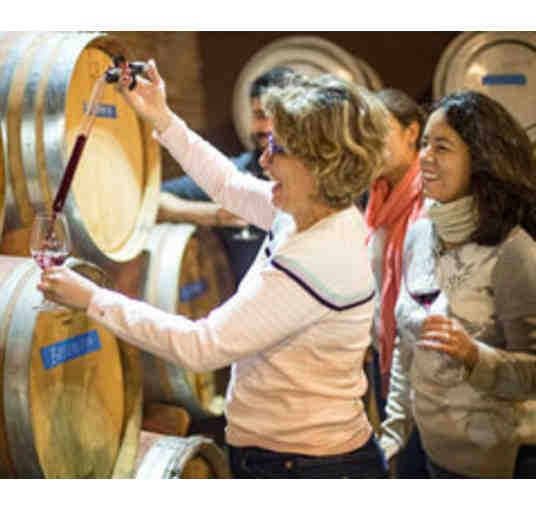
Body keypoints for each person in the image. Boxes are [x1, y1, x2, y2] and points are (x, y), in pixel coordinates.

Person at [38, 62, 391, 478]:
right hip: (294, 457)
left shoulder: (316, 259)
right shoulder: (313, 212)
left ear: (320, 166)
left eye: (279, 149)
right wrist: (162, 117)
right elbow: (227, 184)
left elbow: (201, 346)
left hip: (308, 467)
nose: (264, 159)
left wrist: (92, 298)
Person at [379, 89, 536, 478]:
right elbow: (406, 345)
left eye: (442, 147)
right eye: (425, 144)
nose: (424, 157)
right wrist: (393, 434)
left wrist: (474, 356)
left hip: (502, 465)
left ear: (481, 159)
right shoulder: (419, 234)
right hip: (430, 454)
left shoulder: (514, 251)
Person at [158, 67, 293, 285]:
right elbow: (154, 200)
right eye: (259, 115)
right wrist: (214, 215)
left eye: (275, 117)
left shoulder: (320, 183)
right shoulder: (236, 172)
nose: (267, 127)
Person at [362, 89, 428, 477]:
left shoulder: (428, 198)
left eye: (380, 131)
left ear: (411, 132)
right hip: (383, 349)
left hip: (420, 359)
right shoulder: (377, 193)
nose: (369, 142)